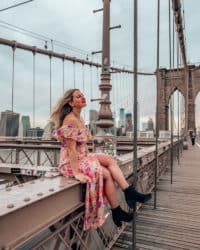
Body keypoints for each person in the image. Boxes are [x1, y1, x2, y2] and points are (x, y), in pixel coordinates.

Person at [51, 88, 152, 230]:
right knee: (105, 174)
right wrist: (77, 173)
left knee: (110, 160)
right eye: (78, 96)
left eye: (82, 95)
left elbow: (82, 146)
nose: (83, 97)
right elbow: (71, 150)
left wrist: (90, 157)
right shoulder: (70, 120)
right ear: (71, 103)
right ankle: (118, 210)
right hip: (71, 163)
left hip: (82, 157)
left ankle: (128, 192)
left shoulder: (79, 118)